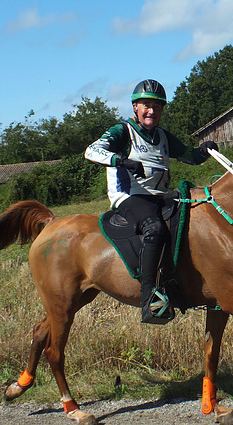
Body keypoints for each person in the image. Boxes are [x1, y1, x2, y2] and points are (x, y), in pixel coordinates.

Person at [85, 79, 218, 323]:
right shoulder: (123, 131)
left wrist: (204, 150)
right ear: (135, 107)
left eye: (157, 107)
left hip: (159, 197)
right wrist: (122, 161)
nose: (152, 111)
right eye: (146, 105)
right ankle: (149, 299)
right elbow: (92, 151)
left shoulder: (163, 136)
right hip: (129, 198)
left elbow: (189, 156)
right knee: (155, 229)